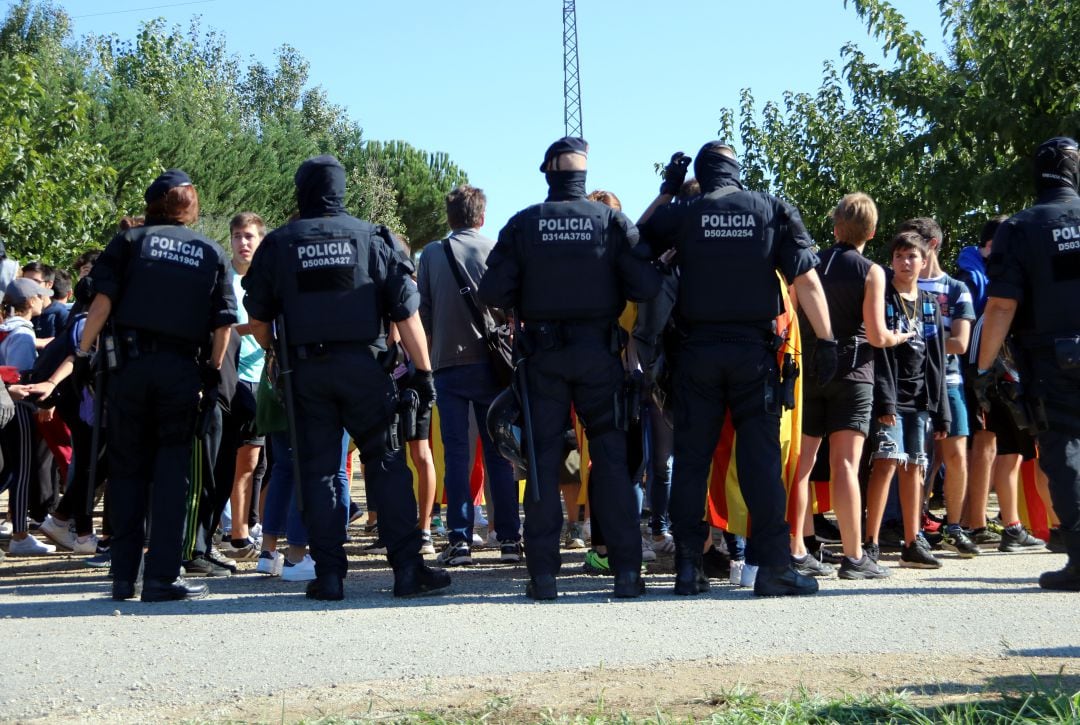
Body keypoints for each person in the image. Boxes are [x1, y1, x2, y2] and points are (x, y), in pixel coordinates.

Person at [243, 154, 449, 600]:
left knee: (318, 472)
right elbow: (407, 312)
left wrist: (277, 357)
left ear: (302, 191)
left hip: (306, 372)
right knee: (387, 464)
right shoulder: (372, 237)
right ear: (340, 190)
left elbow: (257, 320)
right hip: (365, 371)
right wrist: (425, 372)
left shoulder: (280, 244)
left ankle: (331, 575)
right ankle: (408, 569)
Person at [637, 142, 835, 597]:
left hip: (696, 356)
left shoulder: (685, 211)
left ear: (702, 175)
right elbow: (806, 278)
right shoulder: (771, 209)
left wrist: (667, 191)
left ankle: (689, 568)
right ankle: (773, 569)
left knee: (691, 462)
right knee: (761, 462)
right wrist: (825, 341)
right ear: (737, 172)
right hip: (753, 355)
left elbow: (635, 240)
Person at [478, 137, 660, 600]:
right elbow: (644, 286)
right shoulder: (612, 222)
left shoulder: (523, 224)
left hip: (543, 359)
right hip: (600, 357)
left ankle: (543, 577)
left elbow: (493, 292)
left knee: (541, 465)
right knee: (612, 463)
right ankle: (625, 573)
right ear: (583, 174)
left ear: (548, 173)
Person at [78, 169, 237, 602]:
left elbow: (102, 301)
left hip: (129, 368)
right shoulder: (209, 250)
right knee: (172, 476)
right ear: (191, 205)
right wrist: (212, 368)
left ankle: (123, 577)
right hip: (180, 372)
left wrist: (83, 353)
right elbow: (224, 322)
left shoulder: (130, 243)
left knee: (127, 471)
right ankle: (163, 577)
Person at [975, 136, 1080, 590]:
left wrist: (982, 369)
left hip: (1052, 358)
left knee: (1064, 450)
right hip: (1053, 352)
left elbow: (1000, 306)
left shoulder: (1021, 228)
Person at [790, 193, 907, 580]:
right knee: (845, 466)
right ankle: (855, 557)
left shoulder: (809, 264)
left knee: (801, 466)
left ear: (836, 226)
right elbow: (875, 334)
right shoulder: (871, 271)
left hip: (811, 370)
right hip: (854, 376)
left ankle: (797, 548)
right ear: (871, 232)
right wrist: (898, 337)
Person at [417, 184, 521, 566]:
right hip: (491, 365)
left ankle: (460, 540)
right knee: (499, 453)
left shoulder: (431, 253)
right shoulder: (494, 250)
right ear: (481, 216)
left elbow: (423, 310)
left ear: (450, 217)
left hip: (447, 363)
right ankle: (509, 537)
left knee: (456, 454)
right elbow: (511, 307)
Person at [864, 231, 949, 569]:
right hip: (891, 396)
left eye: (912, 256)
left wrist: (941, 409)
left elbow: (937, 358)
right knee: (886, 462)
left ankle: (913, 542)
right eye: (899, 256)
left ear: (924, 260)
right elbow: (880, 352)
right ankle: (869, 541)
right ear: (892, 261)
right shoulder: (884, 297)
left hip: (921, 399)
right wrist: (884, 401)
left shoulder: (929, 303)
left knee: (916, 466)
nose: (905, 262)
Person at [900, 217, 978, 558]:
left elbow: (960, 343)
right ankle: (913, 527)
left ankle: (955, 526)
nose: (908, 257)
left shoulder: (957, 289)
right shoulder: (898, 287)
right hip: (911, 384)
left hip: (948, 382)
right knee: (916, 459)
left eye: (914, 246)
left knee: (956, 453)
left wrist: (916, 342)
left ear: (931, 246)